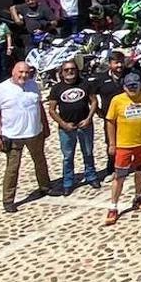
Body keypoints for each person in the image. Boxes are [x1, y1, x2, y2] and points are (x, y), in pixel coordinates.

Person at [0, 61, 57, 213]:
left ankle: (45, 187)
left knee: (40, 161)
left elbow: (39, 106)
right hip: (13, 136)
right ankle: (8, 200)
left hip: (34, 133)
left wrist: (45, 126)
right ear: (13, 71)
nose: (24, 75)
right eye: (21, 72)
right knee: (12, 169)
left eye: (27, 73)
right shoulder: (1, 90)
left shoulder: (33, 85)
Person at [103, 72, 141, 225]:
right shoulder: (117, 100)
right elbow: (110, 122)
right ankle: (113, 206)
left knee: (140, 172)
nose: (133, 89)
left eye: (135, 86)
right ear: (124, 87)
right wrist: (112, 144)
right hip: (124, 145)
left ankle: (138, 197)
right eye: (129, 86)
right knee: (119, 176)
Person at [46, 60, 99, 194]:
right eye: (66, 70)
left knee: (88, 152)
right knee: (68, 156)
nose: (70, 72)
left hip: (85, 125)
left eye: (73, 69)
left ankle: (91, 176)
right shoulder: (56, 88)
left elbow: (93, 101)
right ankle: (68, 182)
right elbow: (52, 110)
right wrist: (63, 124)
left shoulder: (85, 84)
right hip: (66, 129)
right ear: (62, 73)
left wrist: (88, 119)